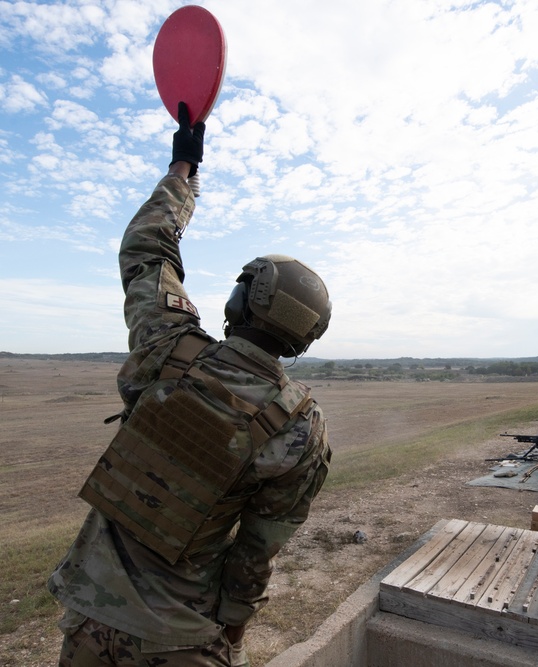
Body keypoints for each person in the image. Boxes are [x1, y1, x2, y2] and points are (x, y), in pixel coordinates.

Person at [47, 103, 333, 667]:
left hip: (91, 623)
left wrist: (183, 171)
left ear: (242, 302)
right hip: (185, 636)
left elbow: (147, 247)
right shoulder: (303, 430)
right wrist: (232, 631)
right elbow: (256, 552)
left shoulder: (167, 349)